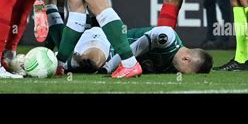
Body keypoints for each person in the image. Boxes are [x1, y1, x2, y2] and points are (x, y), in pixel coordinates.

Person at [66, 26, 213, 75]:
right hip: (105, 39)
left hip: (110, 53)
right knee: (95, 62)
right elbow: (134, 49)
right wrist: (107, 68)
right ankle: (58, 60)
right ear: (186, 59)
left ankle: (64, 62)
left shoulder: (172, 66)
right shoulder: (167, 36)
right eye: (184, 72)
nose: (179, 73)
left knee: (90, 67)